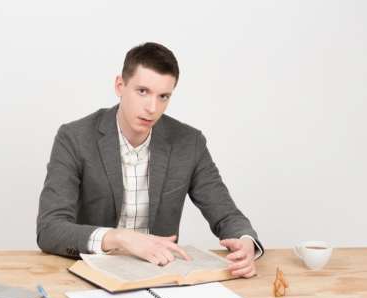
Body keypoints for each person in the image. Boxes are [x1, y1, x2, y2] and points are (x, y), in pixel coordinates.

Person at [36, 42, 263, 278]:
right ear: (120, 86)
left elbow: (227, 216)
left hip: (160, 277)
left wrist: (246, 243)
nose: (152, 108)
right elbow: (50, 229)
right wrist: (121, 238)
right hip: (91, 276)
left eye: (163, 96)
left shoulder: (189, 142)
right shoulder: (75, 138)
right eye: (142, 91)